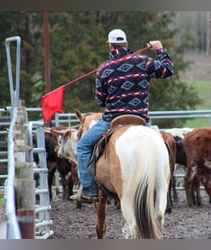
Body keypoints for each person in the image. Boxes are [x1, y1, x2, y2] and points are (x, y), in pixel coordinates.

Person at [70, 28, 174, 203]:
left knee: (82, 146)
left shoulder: (103, 69)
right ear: (126, 43)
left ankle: (89, 190)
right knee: (162, 146)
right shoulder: (144, 61)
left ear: (110, 45)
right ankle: (163, 189)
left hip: (112, 120)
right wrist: (159, 49)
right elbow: (168, 70)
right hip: (140, 120)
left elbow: (100, 102)